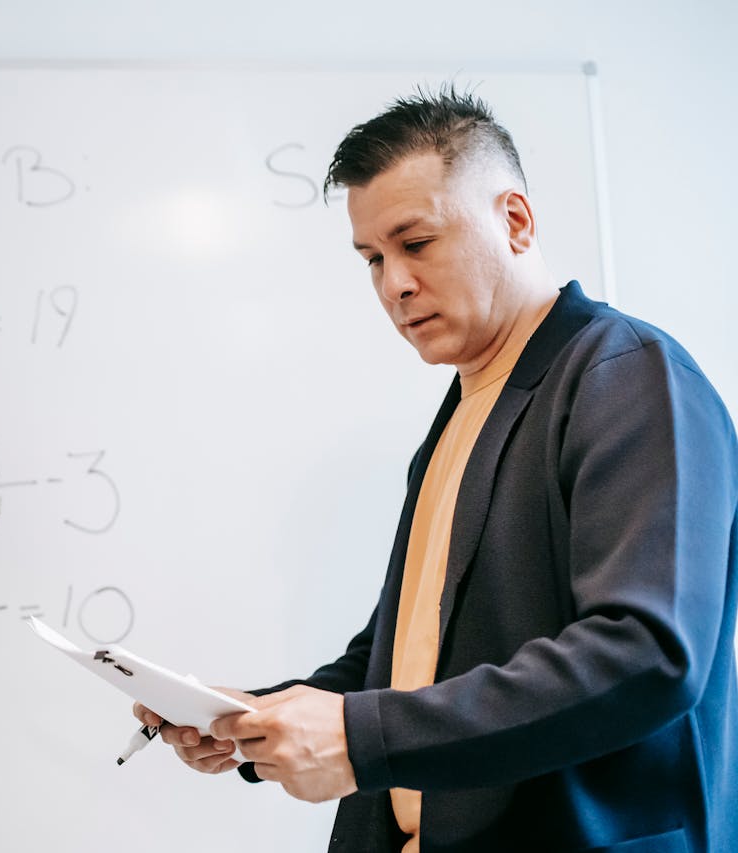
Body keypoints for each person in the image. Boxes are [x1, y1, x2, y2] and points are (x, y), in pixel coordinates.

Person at [135, 87, 738, 852]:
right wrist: (251, 716)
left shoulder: (630, 377)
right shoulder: (465, 407)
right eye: (373, 259)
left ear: (514, 221)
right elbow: (397, 656)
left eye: (415, 243)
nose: (394, 284)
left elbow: (647, 653)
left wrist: (361, 735)